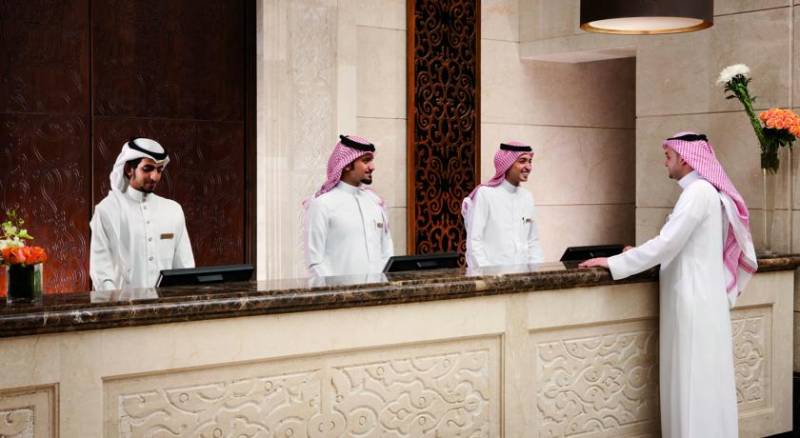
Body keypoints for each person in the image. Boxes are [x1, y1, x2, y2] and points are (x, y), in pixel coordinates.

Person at [580, 132, 757, 437]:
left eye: (668, 156)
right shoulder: (702, 192)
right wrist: (634, 253)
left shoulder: (698, 192)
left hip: (694, 301)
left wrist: (612, 262)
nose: (665, 162)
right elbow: (679, 243)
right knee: (698, 382)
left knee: (693, 383)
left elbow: (667, 244)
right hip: (699, 299)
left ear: (686, 159)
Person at [90, 138, 195, 290]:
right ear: (128, 169)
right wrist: (118, 308)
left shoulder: (173, 210)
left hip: (167, 308)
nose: (155, 177)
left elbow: (185, 270)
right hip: (122, 307)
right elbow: (101, 273)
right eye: (148, 169)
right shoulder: (107, 210)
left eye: (159, 170)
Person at [304, 135, 393, 277]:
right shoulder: (322, 204)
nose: (372, 167)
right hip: (340, 295)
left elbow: (387, 252)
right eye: (365, 161)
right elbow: (315, 261)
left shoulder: (375, 203)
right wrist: (338, 293)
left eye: (372, 161)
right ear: (346, 164)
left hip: (377, 294)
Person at [462, 141, 543, 269]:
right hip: (493, 279)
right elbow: (474, 242)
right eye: (522, 161)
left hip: (523, 280)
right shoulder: (485, 194)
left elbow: (533, 241)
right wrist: (489, 276)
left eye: (530, 161)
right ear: (507, 164)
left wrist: (536, 273)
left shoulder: (527, 197)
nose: (528, 167)